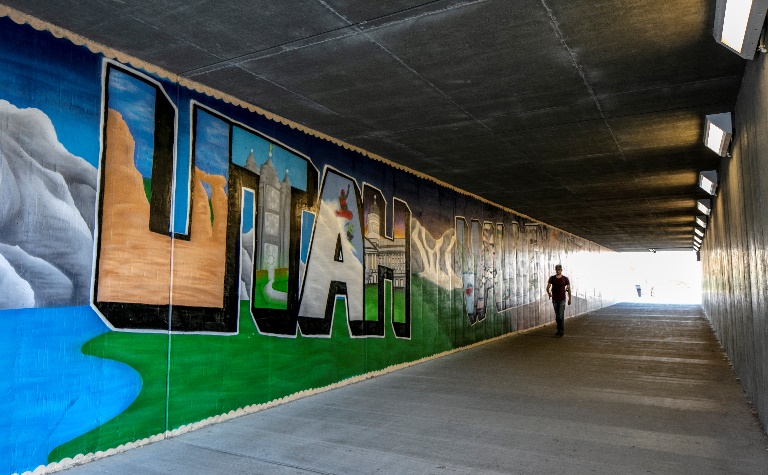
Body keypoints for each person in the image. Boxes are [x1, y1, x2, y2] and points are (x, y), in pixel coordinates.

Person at [546, 264, 571, 336]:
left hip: (562, 299)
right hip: (555, 299)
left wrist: (569, 299)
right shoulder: (552, 278)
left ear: (561, 270)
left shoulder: (565, 279)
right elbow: (547, 287)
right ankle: (559, 330)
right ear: (555, 270)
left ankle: (561, 330)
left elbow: (569, 289)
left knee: (560, 315)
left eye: (559, 269)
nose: (558, 271)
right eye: (557, 269)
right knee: (558, 315)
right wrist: (549, 293)